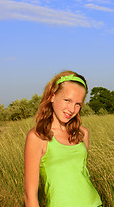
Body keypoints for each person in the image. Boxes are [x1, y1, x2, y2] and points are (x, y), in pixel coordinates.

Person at [24, 71, 102, 207]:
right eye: (67, 100)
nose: (72, 109)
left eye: (78, 104)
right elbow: (30, 196)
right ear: (52, 96)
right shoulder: (37, 137)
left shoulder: (82, 134)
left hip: (94, 203)